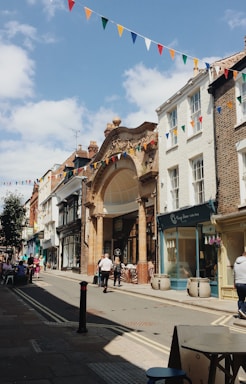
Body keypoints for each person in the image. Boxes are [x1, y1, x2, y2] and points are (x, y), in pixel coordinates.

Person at [234, 251, 246, 319]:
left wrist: (234, 283)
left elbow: (234, 273)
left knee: (241, 299)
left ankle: (240, 314)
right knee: (241, 299)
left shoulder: (236, 262)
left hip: (238, 283)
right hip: (245, 282)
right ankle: (242, 309)